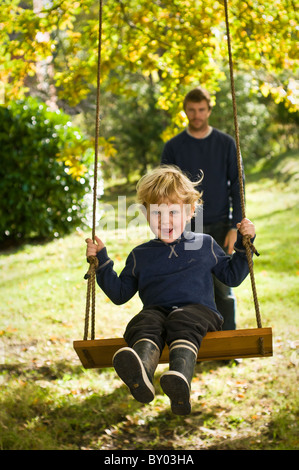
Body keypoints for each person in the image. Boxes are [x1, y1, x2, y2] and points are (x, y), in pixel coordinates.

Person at [85, 166, 255, 415]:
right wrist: (101, 262)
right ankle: (141, 371)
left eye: (173, 212)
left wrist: (244, 244)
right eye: (157, 213)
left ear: (190, 212)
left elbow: (232, 277)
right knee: (144, 321)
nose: (165, 220)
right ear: (145, 215)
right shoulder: (140, 255)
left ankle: (179, 379)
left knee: (182, 318)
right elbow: (120, 294)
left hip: (200, 315)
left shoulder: (204, 244)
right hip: (158, 314)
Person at [161, 87, 244, 331]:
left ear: (208, 110)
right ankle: (194, 343)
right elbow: (164, 191)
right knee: (189, 286)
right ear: (185, 111)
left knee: (223, 287)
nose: (196, 115)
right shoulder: (174, 147)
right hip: (187, 226)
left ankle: (229, 343)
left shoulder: (226, 143)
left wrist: (235, 226)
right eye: (191, 110)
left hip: (220, 223)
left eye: (201, 110)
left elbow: (238, 187)